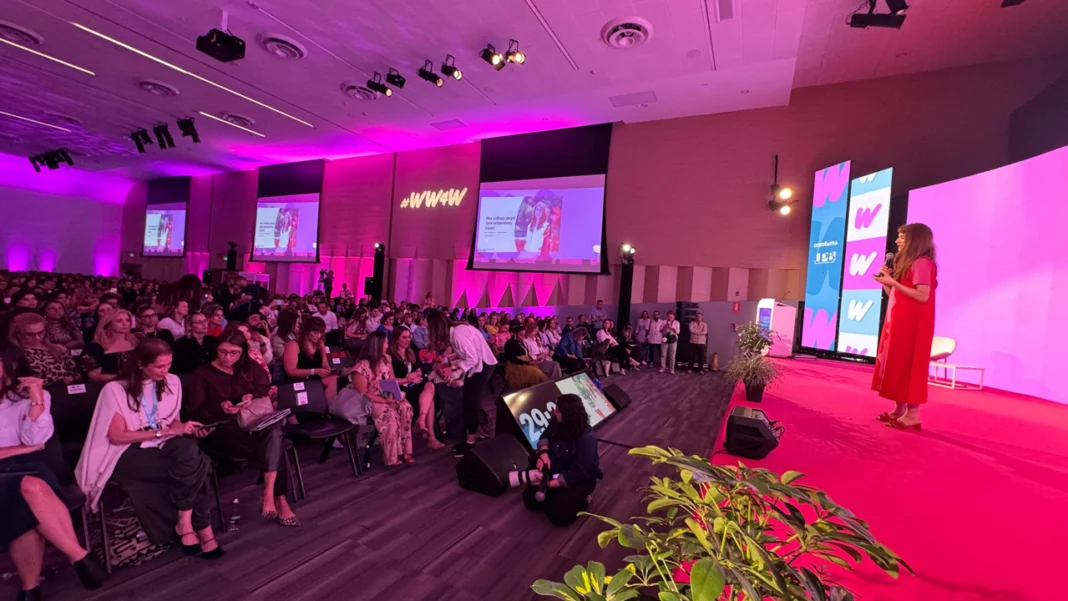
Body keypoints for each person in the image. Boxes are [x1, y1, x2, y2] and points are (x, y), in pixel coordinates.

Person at [75, 339, 223, 558]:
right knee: (200, 464)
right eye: (159, 366)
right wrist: (165, 433)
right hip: (125, 452)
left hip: (161, 443)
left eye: (169, 365)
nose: (166, 371)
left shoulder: (172, 382)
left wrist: (185, 428)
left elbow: (172, 422)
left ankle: (185, 522)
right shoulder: (115, 389)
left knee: (190, 453)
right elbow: (117, 437)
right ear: (140, 364)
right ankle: (205, 532)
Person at [0, 345, 107, 600]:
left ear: (10, 368)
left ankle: (30, 589)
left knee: (27, 492)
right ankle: (79, 556)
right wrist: (22, 449)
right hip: (14, 471)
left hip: (25, 468)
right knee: (27, 490)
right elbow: (30, 445)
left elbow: (37, 438)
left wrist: (36, 397)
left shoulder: (33, 397)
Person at [186, 329, 299, 527]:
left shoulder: (246, 366)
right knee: (275, 441)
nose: (228, 357)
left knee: (273, 433)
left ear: (242, 352)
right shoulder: (203, 373)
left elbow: (264, 385)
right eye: (223, 352)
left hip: (251, 421)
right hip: (222, 428)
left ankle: (270, 494)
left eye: (234, 353)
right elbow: (194, 411)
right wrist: (220, 407)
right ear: (216, 350)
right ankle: (277, 499)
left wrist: (251, 396)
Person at [873, 223, 938, 431]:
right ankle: (899, 408)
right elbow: (896, 294)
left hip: (913, 324)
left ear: (914, 240)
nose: (897, 241)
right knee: (897, 363)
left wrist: (894, 281)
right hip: (899, 320)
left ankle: (913, 414)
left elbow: (922, 295)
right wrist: (886, 282)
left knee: (909, 364)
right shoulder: (909, 262)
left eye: (901, 237)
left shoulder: (922, 263)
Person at [425, 309, 497, 457]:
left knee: (469, 401)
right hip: (481, 365)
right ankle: (477, 431)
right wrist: (446, 360)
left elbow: (472, 359)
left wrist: (452, 369)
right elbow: (463, 352)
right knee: (470, 400)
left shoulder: (458, 334)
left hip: (482, 366)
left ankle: (471, 440)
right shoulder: (457, 331)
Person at [523, 394, 601, 527]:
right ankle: (556, 496)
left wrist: (549, 484)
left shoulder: (587, 437)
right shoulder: (557, 421)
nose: (554, 412)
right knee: (530, 501)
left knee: (559, 516)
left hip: (577, 478)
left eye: (557, 411)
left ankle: (585, 500)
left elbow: (581, 471)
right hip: (555, 468)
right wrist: (543, 453)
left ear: (567, 415)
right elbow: (545, 436)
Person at [351, 332, 415, 467]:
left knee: (405, 407)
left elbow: (391, 380)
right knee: (389, 414)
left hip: (386, 395)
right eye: (385, 343)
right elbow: (363, 393)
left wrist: (398, 391)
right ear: (377, 345)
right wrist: (384, 401)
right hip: (370, 400)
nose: (387, 345)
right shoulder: (361, 367)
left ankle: (405, 450)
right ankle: (392, 456)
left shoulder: (386, 358)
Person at [388, 328, 444, 451]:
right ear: (396, 340)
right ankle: (431, 437)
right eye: (404, 337)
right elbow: (390, 380)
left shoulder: (411, 352)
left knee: (430, 386)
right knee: (430, 401)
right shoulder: (391, 356)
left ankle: (421, 420)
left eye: (409, 337)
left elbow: (421, 368)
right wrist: (408, 379)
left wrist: (417, 374)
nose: (408, 340)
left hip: (416, 385)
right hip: (402, 389)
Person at [9, 313, 80, 386]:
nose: (37, 337)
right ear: (18, 334)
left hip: (63, 392)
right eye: (30, 334)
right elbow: (16, 383)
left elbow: (76, 372)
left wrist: (72, 378)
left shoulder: (59, 349)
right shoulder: (15, 355)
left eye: (41, 332)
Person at [282, 316, 337, 400]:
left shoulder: (319, 343)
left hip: (316, 376)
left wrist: (328, 371)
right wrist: (314, 371)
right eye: (315, 333)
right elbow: (290, 372)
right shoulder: (293, 345)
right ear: (306, 331)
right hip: (299, 380)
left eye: (320, 333)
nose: (318, 336)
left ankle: (327, 407)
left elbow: (324, 363)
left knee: (336, 380)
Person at [83, 309, 140, 382]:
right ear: (109, 324)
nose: (124, 323)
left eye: (127, 320)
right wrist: (123, 377)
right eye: (119, 321)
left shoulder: (136, 342)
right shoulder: (95, 347)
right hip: (108, 386)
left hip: (136, 384)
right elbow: (94, 375)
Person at [504, 323, 549, 390]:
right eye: (521, 335)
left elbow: (526, 354)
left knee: (539, 372)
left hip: (524, 363)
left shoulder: (520, 342)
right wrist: (528, 363)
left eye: (523, 335)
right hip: (515, 365)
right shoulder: (510, 343)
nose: (522, 337)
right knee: (537, 374)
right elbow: (513, 359)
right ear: (515, 334)